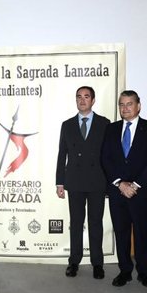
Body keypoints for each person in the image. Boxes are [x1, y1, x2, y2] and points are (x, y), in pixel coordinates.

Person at [101, 90, 147, 288]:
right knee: (121, 232)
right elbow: (105, 159)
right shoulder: (111, 129)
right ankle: (125, 270)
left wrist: (135, 185)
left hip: (141, 192)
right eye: (121, 104)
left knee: (142, 233)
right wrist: (120, 183)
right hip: (118, 192)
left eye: (129, 104)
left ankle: (144, 271)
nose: (125, 108)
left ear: (138, 106)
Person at [55, 86, 110, 279]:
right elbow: (62, 154)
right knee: (76, 223)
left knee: (95, 223)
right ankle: (74, 261)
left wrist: (110, 182)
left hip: (97, 181)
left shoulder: (105, 123)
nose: (82, 100)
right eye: (79, 97)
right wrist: (59, 182)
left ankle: (97, 263)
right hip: (75, 181)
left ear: (93, 100)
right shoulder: (67, 125)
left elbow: (108, 156)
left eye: (86, 97)